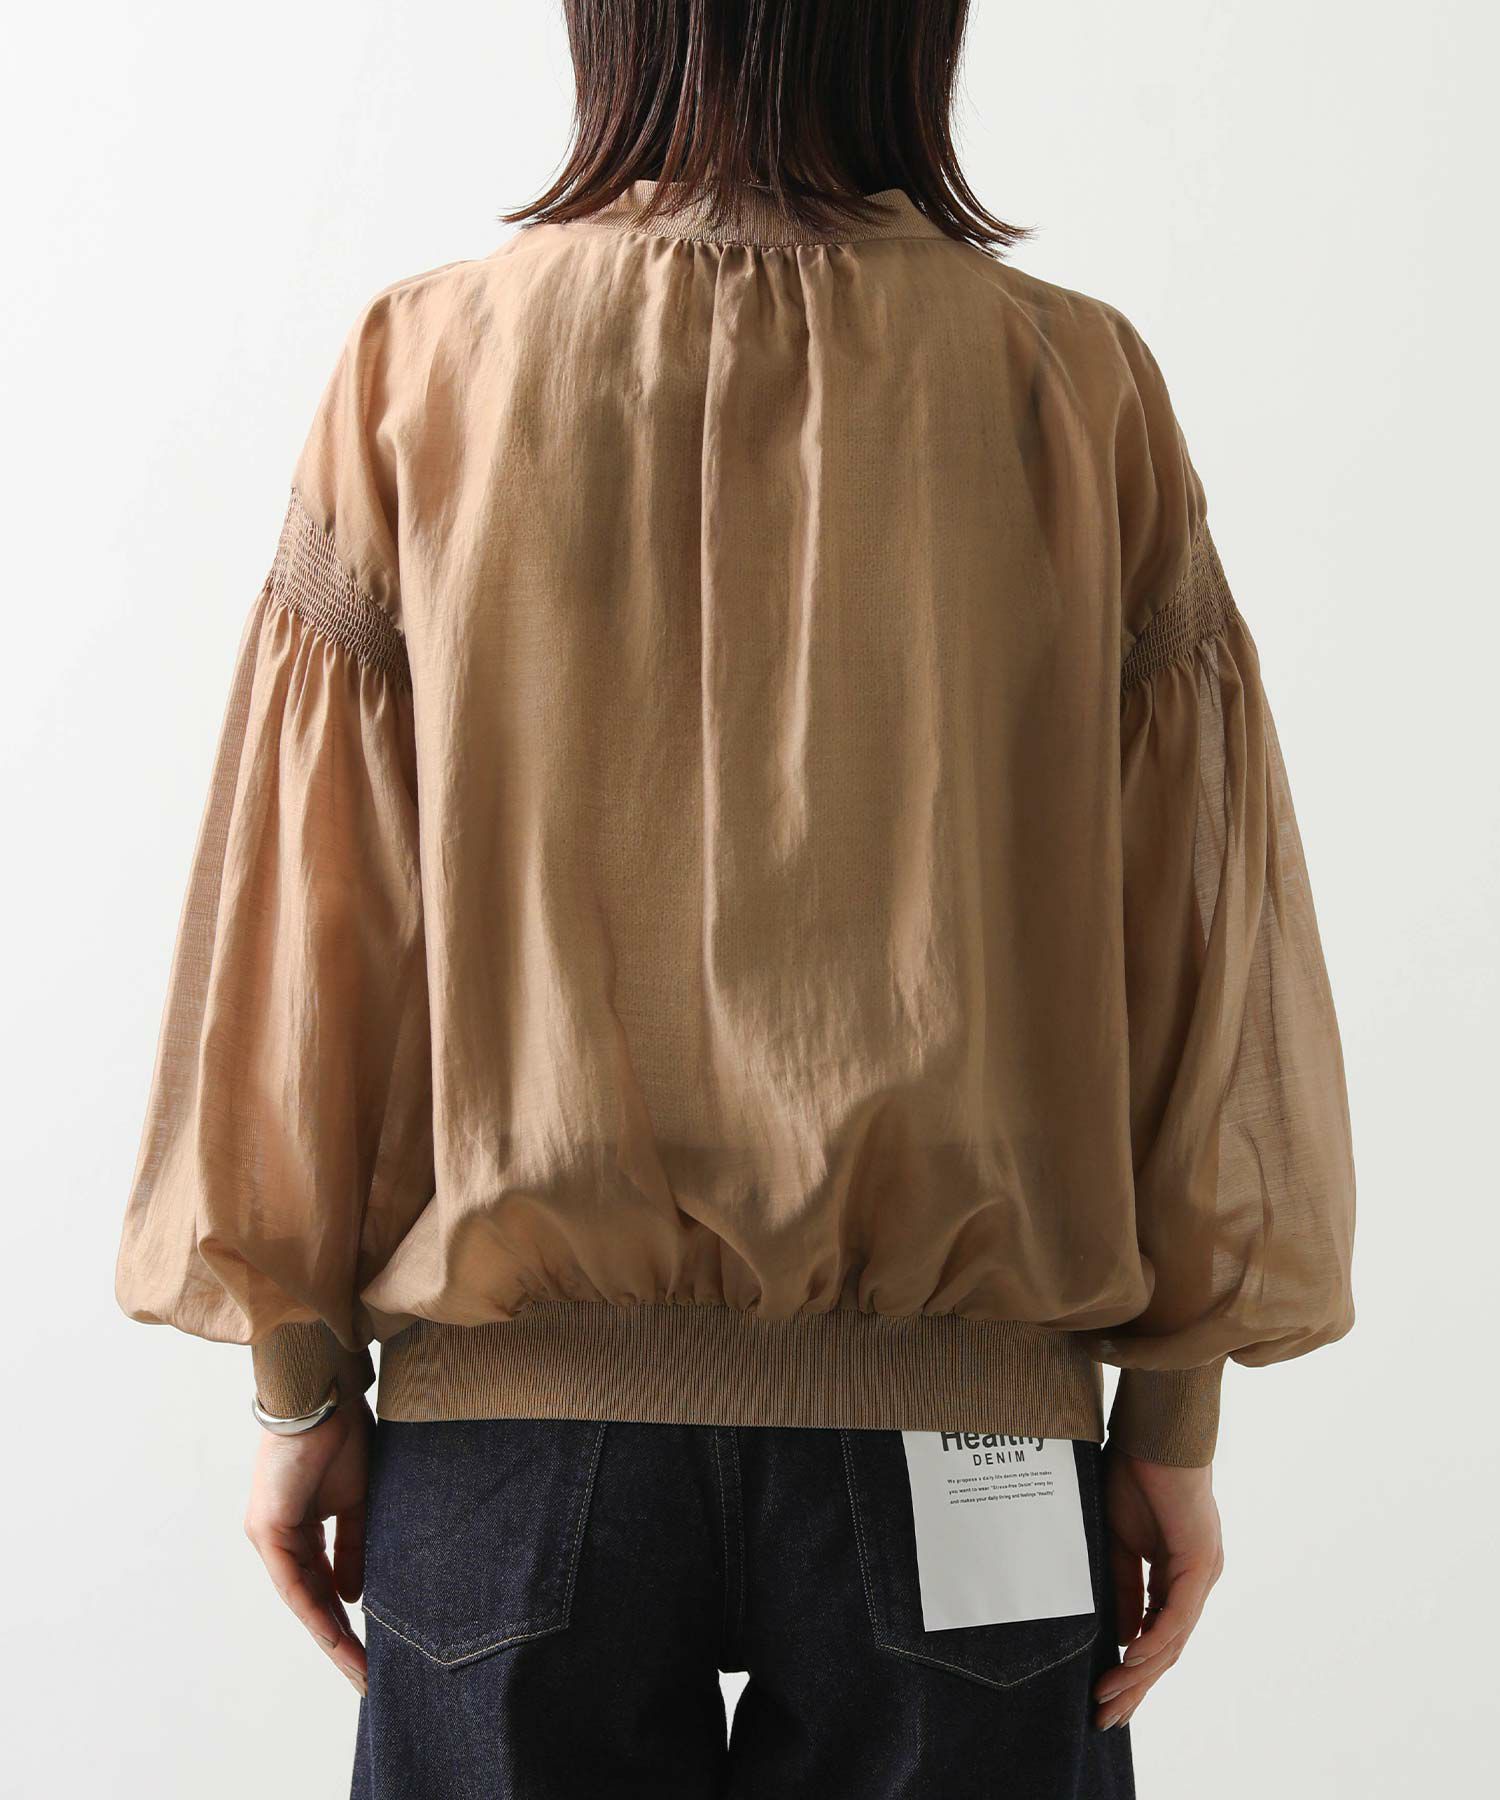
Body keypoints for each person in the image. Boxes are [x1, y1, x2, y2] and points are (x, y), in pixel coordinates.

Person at [114, 3, 1356, 1795]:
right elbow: (1197, 935)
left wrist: (301, 1383)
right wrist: (1172, 1410)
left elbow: (305, 929)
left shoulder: (422, 368)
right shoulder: (1070, 386)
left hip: (513, 1454)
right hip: (967, 1448)